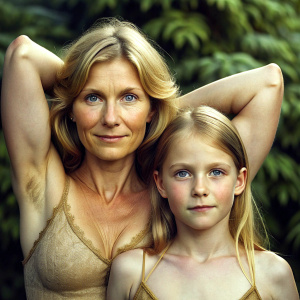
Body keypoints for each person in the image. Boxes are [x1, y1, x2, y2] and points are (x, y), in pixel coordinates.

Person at [1, 17, 283, 299]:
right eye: (92, 98)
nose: (111, 119)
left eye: (129, 98)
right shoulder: (42, 183)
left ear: (151, 108)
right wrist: (81, 81)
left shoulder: (174, 191)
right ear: (72, 107)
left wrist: (160, 114)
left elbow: (267, 84)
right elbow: (22, 55)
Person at [107, 106, 299, 300]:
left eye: (216, 172)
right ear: (161, 183)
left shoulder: (273, 274)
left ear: (239, 181)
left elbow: (270, 82)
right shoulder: (131, 272)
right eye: (183, 173)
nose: (200, 189)